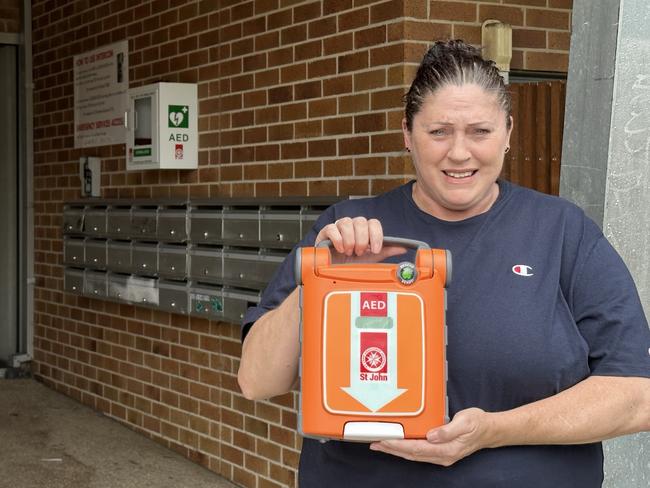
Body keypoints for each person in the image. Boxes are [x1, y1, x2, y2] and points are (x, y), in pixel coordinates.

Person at [238, 40, 650, 487]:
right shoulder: (347, 230)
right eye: (438, 132)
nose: (459, 153)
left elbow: (636, 394)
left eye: (480, 131)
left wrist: (493, 431)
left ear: (508, 134)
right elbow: (257, 381)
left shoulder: (562, 231)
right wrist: (319, 279)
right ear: (407, 135)